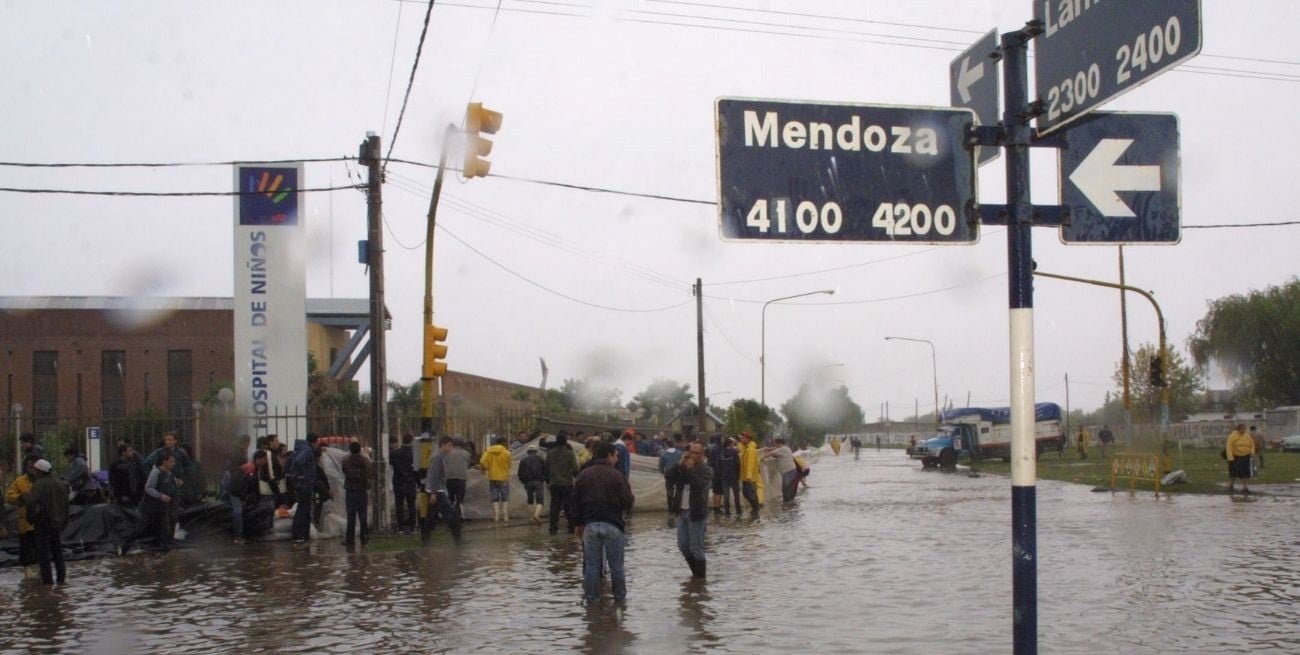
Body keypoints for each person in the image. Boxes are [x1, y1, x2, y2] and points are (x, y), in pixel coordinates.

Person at [570, 442, 635, 604]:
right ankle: (620, 602)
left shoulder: (583, 475)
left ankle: (591, 602)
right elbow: (628, 501)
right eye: (615, 455)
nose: (617, 458)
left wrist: (577, 524)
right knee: (616, 566)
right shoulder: (617, 475)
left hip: (590, 526)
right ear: (609, 455)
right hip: (613, 525)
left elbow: (574, 502)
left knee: (591, 566)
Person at [667, 442, 712, 579]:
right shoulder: (684, 467)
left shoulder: (706, 470)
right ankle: (695, 575)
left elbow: (699, 486)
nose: (693, 455)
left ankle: (700, 579)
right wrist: (680, 464)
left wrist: (691, 469)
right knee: (683, 546)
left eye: (696, 453)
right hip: (682, 512)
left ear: (702, 455)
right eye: (691, 452)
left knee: (696, 547)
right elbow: (668, 476)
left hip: (696, 512)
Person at [24, 460, 70, 585]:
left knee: (44, 554)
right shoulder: (60, 484)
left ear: (39, 471)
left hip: (43, 523)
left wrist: (31, 518)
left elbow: (34, 505)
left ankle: (47, 581)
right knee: (58, 552)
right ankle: (61, 579)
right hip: (58, 523)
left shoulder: (38, 485)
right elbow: (66, 505)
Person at [421, 436, 463, 546]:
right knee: (451, 514)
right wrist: (434, 492)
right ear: (443, 445)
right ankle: (457, 539)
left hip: (437, 490)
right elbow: (433, 475)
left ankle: (426, 539)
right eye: (449, 446)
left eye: (451, 446)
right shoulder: (437, 457)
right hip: (438, 490)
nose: (450, 448)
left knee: (431, 516)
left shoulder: (441, 456)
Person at [6, 456, 40, 580]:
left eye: (35, 467)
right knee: (26, 548)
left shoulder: (43, 481)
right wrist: (20, 498)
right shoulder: (20, 481)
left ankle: (40, 571)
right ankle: (28, 572)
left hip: (41, 521)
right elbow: (9, 496)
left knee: (40, 548)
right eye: (30, 467)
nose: (32, 470)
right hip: (25, 522)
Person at [141, 452, 180, 551]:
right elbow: (148, 488)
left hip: (162, 508)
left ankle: (167, 549)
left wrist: (177, 484)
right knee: (141, 527)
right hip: (150, 507)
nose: (173, 464)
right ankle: (124, 547)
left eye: (174, 462)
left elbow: (170, 487)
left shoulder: (170, 474)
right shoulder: (156, 472)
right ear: (164, 461)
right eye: (171, 461)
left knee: (166, 528)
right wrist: (161, 496)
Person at [288, 433, 322, 543]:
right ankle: (299, 535)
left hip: (304, 483)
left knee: (305, 509)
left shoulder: (305, 449)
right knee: (303, 509)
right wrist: (302, 477)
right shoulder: (307, 451)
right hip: (304, 484)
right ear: (315, 441)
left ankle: (303, 535)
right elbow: (298, 462)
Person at [546, 432, 579, 535]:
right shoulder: (569, 453)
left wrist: (548, 481)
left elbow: (546, 468)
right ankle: (571, 527)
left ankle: (552, 528)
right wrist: (577, 477)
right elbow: (575, 469)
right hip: (567, 484)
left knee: (554, 506)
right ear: (566, 442)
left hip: (554, 484)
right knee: (568, 506)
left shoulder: (550, 453)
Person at [144, 432, 190, 502]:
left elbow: (188, 466)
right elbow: (147, 463)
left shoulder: (180, 453)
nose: (168, 442)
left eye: (170, 440)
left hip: (176, 483)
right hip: (162, 483)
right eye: (166, 440)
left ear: (175, 441)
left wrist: (183, 479)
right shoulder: (159, 452)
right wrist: (153, 475)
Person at [342, 441, 371, 547]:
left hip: (350, 491)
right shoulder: (365, 461)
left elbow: (344, 471)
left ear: (350, 450)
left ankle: (350, 540)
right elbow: (369, 474)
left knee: (351, 517)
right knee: (363, 515)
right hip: (362, 491)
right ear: (360, 450)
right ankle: (365, 538)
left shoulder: (346, 461)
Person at [480, 435, 513, 523]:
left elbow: (482, 461)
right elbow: (509, 465)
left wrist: (487, 468)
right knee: (505, 497)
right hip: (504, 477)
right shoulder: (507, 453)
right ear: (504, 443)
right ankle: (505, 517)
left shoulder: (489, 451)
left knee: (495, 497)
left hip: (492, 477)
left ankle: (496, 517)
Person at [390, 435, 417, 532]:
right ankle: (413, 526)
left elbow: (390, 463)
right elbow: (417, 470)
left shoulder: (395, 453)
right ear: (411, 442)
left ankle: (400, 526)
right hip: (410, 482)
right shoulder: (414, 454)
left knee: (399, 505)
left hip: (398, 483)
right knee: (411, 506)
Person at [518, 445, 548, 525]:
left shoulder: (523, 460)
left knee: (530, 500)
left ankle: (531, 518)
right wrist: (545, 479)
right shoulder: (540, 459)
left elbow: (520, 473)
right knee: (540, 500)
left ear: (528, 452)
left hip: (528, 482)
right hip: (538, 481)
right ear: (536, 451)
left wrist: (523, 481)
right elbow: (546, 470)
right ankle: (537, 515)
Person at [763, 438, 799, 503]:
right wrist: (769, 449)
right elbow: (775, 450)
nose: (774, 444)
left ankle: (787, 502)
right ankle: (790, 501)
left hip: (788, 471)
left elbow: (771, 453)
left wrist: (761, 458)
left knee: (786, 487)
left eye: (775, 443)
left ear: (779, 443)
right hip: (791, 470)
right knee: (788, 486)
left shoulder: (782, 449)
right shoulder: (786, 448)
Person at [658, 433, 686, 514]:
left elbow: (660, 467)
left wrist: (663, 473)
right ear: (673, 445)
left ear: (666, 446)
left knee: (669, 491)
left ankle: (670, 506)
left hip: (669, 475)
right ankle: (676, 506)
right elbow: (682, 463)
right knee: (678, 490)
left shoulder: (663, 454)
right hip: (678, 474)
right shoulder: (679, 453)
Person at [1225, 424, 1256, 494]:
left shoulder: (1247, 435)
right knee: (1233, 472)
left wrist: (1252, 452)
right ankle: (1231, 486)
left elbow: (1252, 444)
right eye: (1242, 429)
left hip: (1245, 456)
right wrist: (1230, 458)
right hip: (1235, 457)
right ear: (1238, 429)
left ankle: (1245, 488)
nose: (1244, 430)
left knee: (1244, 472)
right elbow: (1229, 447)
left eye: (1245, 429)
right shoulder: (1232, 436)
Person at [737, 431, 761, 519]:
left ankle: (756, 509)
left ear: (748, 439)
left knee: (750, 493)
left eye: (743, 438)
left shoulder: (751, 449)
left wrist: (749, 475)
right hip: (746, 477)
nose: (741, 439)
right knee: (747, 493)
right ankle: (755, 509)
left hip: (749, 478)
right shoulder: (747, 448)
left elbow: (750, 463)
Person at [445, 438, 470, 514]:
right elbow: (468, 465)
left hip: (449, 478)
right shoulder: (466, 453)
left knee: (450, 499)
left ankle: (450, 517)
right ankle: (457, 518)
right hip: (461, 479)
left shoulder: (447, 452)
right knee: (459, 501)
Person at [719, 437, 740, 517]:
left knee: (726, 495)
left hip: (724, 476)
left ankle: (727, 512)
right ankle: (738, 511)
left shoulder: (721, 453)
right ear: (730, 444)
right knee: (736, 495)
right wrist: (738, 475)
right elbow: (738, 464)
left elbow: (719, 465)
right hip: (733, 476)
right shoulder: (734, 452)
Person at [706, 434, 724, 515]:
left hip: (713, 471)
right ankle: (717, 508)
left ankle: (715, 507)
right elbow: (717, 462)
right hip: (717, 472)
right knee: (718, 491)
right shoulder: (717, 449)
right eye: (722, 438)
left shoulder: (712, 447)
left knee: (715, 491)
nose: (723, 440)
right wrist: (720, 472)